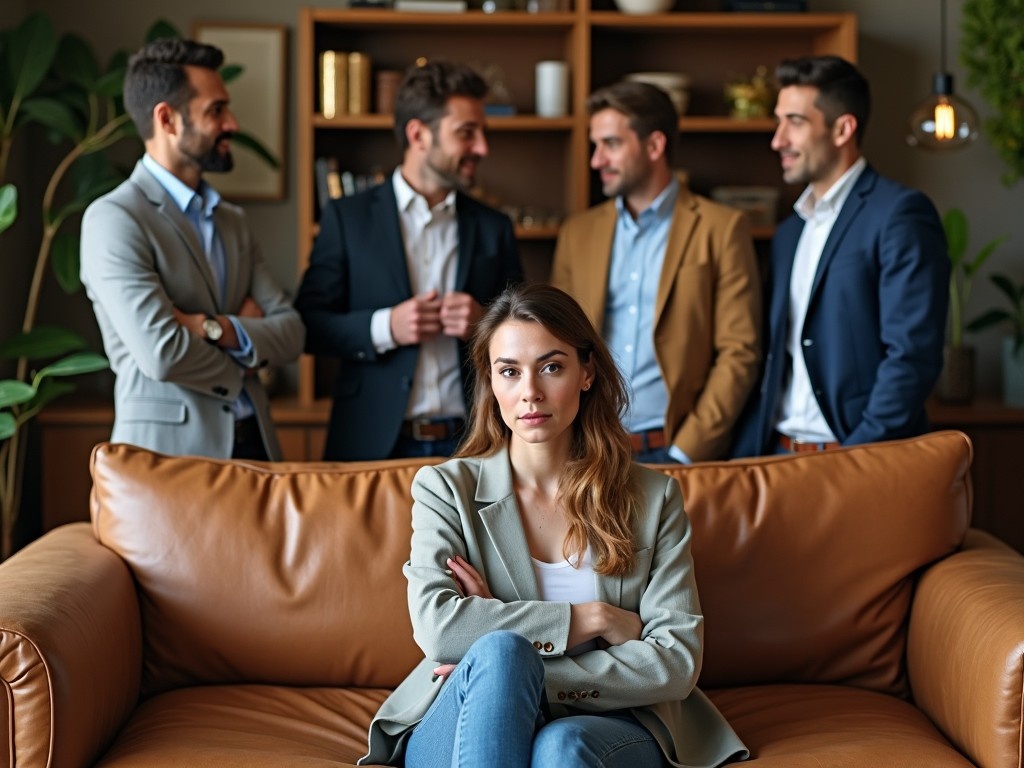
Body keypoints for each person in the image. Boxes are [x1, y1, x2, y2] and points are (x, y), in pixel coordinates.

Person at [360, 283, 748, 768]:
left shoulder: (652, 498)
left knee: (555, 740)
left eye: (551, 366)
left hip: (608, 724)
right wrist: (595, 619)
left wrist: (527, 676)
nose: (530, 393)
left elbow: (675, 662)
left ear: (586, 373)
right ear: (491, 381)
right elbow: (441, 630)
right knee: (502, 654)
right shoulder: (445, 490)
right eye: (509, 372)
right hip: (464, 716)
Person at [80, 39, 304, 461]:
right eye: (216, 110)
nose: (233, 123)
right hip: (169, 460)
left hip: (258, 449)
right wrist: (248, 347)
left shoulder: (233, 220)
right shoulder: (113, 219)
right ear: (167, 119)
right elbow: (162, 354)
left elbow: (292, 333)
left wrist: (210, 326)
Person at [295, 60, 523, 461]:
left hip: (474, 443)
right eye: (467, 133)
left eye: (483, 133)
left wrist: (484, 323)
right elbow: (308, 324)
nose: (482, 148)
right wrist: (386, 327)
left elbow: (526, 329)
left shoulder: (494, 227)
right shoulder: (347, 218)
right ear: (418, 134)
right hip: (372, 443)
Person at [730, 55, 948, 457]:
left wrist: (855, 458)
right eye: (779, 122)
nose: (777, 140)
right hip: (774, 457)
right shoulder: (788, 231)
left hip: (854, 457)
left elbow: (912, 356)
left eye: (794, 122)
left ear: (843, 128)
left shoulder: (900, 213)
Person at [551, 81, 761, 464]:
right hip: (588, 449)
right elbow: (556, 344)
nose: (596, 160)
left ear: (654, 146)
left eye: (610, 144)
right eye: (595, 146)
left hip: (676, 451)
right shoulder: (577, 234)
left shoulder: (722, 228)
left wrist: (686, 452)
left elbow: (739, 351)